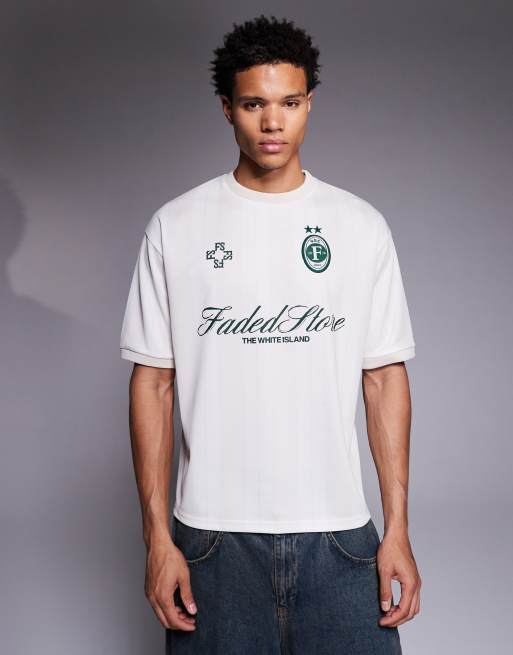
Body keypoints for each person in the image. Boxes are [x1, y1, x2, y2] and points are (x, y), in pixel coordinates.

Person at [120, 14, 421, 654]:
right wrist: (157, 540)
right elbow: (153, 384)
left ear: (310, 103)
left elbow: (383, 378)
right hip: (211, 543)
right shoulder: (176, 226)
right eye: (254, 104)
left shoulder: (359, 226)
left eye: (290, 102)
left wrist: (397, 528)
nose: (273, 123)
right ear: (227, 107)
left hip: (339, 538)